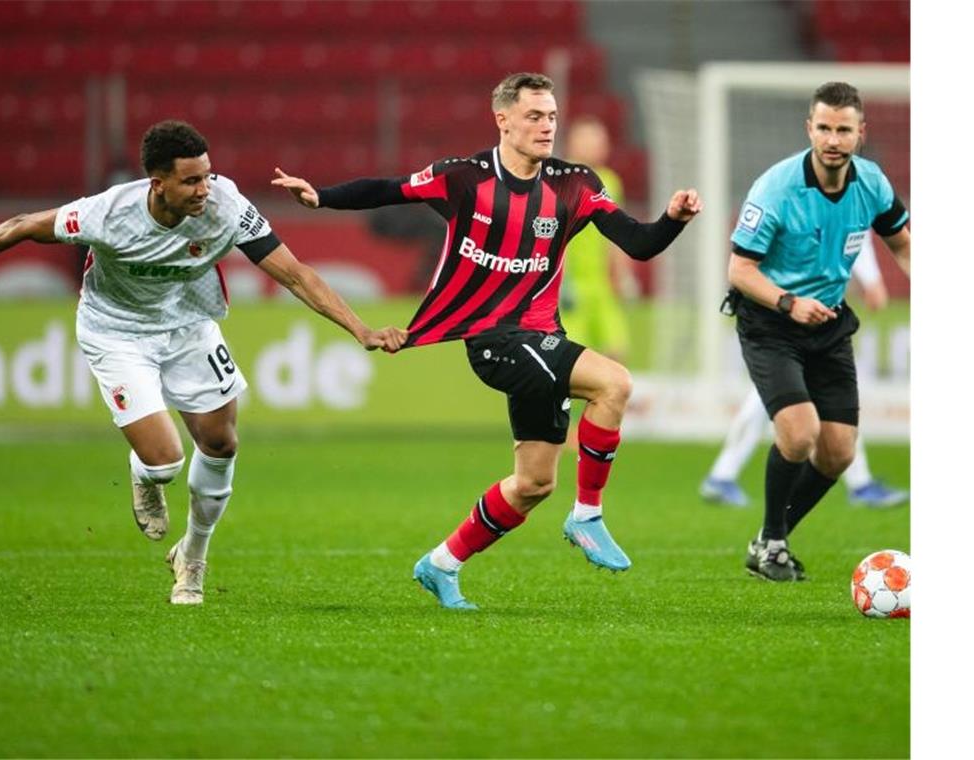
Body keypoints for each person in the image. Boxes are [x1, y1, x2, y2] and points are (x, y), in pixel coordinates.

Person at [0, 120, 407, 605]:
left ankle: (191, 559)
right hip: (116, 331)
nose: (205, 190)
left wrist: (359, 329)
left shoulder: (228, 207)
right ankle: (146, 476)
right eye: (191, 181)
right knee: (166, 460)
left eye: (208, 176)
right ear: (158, 183)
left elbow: (297, 275)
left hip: (187, 324)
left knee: (221, 442)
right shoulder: (108, 213)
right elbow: (21, 225)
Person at [272, 72, 702, 609]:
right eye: (533, 116)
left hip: (542, 335)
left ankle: (441, 563)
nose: (547, 127)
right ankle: (588, 514)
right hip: (493, 340)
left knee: (532, 484)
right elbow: (389, 188)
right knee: (614, 383)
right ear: (503, 120)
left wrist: (673, 218)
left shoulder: (576, 184)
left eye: (551, 116)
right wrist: (322, 197)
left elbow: (639, 244)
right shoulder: (463, 178)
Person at [725, 82, 910, 582]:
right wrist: (788, 302)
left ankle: (768, 540)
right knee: (800, 432)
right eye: (824, 128)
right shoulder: (776, 188)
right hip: (770, 322)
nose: (833, 139)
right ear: (809, 128)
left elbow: (903, 244)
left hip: (827, 324)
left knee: (839, 452)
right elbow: (739, 270)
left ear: (860, 133)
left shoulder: (871, 182)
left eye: (843, 129)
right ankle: (774, 543)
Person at [701, 231, 909, 509]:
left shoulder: (840, 195)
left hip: (797, 306)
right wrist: (871, 280)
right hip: (784, 311)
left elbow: (853, 230)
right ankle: (859, 484)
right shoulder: (795, 194)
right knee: (820, 399)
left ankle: (723, 474)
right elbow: (848, 230)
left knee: (787, 397)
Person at [558, 116, 638, 362]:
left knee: (617, 352)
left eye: (601, 141)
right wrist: (560, 280)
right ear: (573, 143)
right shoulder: (560, 179)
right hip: (571, 286)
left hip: (601, 286)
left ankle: (601, 401)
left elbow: (618, 233)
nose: (599, 146)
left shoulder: (610, 181)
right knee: (572, 360)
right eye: (591, 139)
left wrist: (625, 274)